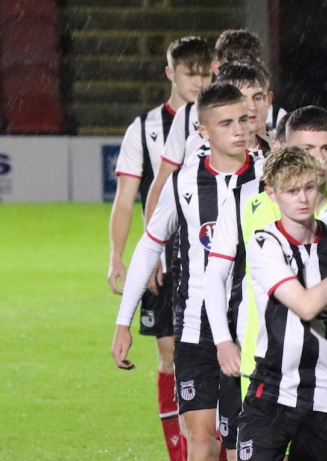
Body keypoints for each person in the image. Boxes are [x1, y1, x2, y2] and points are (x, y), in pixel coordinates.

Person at [112, 83, 263, 461]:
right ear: (202, 131)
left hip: (251, 328)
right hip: (195, 328)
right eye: (226, 123)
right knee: (201, 440)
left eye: (243, 120)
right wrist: (122, 322)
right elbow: (149, 245)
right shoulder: (183, 183)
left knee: (240, 442)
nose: (239, 130)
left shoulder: (266, 179)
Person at [107, 35, 213, 461]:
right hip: (166, 262)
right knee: (171, 357)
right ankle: (181, 451)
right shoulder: (147, 127)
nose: (199, 82)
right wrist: (119, 255)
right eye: (191, 74)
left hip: (210, 258)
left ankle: (209, 446)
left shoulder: (222, 119)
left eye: (206, 73)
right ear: (171, 74)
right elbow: (127, 196)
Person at [236, 146, 327, 460]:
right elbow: (306, 306)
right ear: (272, 193)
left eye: (309, 187)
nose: (302, 198)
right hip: (270, 391)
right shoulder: (264, 243)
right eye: (291, 190)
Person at [237, 106, 327, 396]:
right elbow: (302, 288)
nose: (319, 158)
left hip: (326, 367)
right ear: (286, 151)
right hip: (268, 364)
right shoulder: (262, 208)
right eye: (307, 148)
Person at [144, 29, 275, 223]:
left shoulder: (280, 122)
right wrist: (156, 245)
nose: (250, 107)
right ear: (218, 69)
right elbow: (163, 183)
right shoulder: (190, 119)